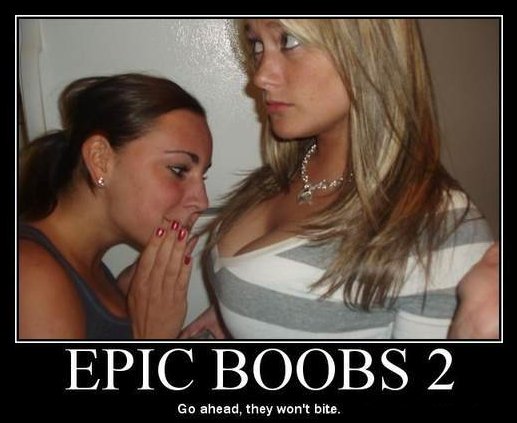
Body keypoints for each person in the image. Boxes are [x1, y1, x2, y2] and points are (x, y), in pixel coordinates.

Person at [180, 18, 495, 340]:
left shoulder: (439, 229)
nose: (260, 76)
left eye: (288, 41)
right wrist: (238, 307)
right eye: (257, 44)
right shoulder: (281, 176)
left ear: (369, 48)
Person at [19, 73, 212, 340]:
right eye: (178, 170)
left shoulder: (90, 268)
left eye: (202, 177)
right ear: (100, 160)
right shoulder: (34, 279)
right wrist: (153, 336)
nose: (202, 201)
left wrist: (125, 300)